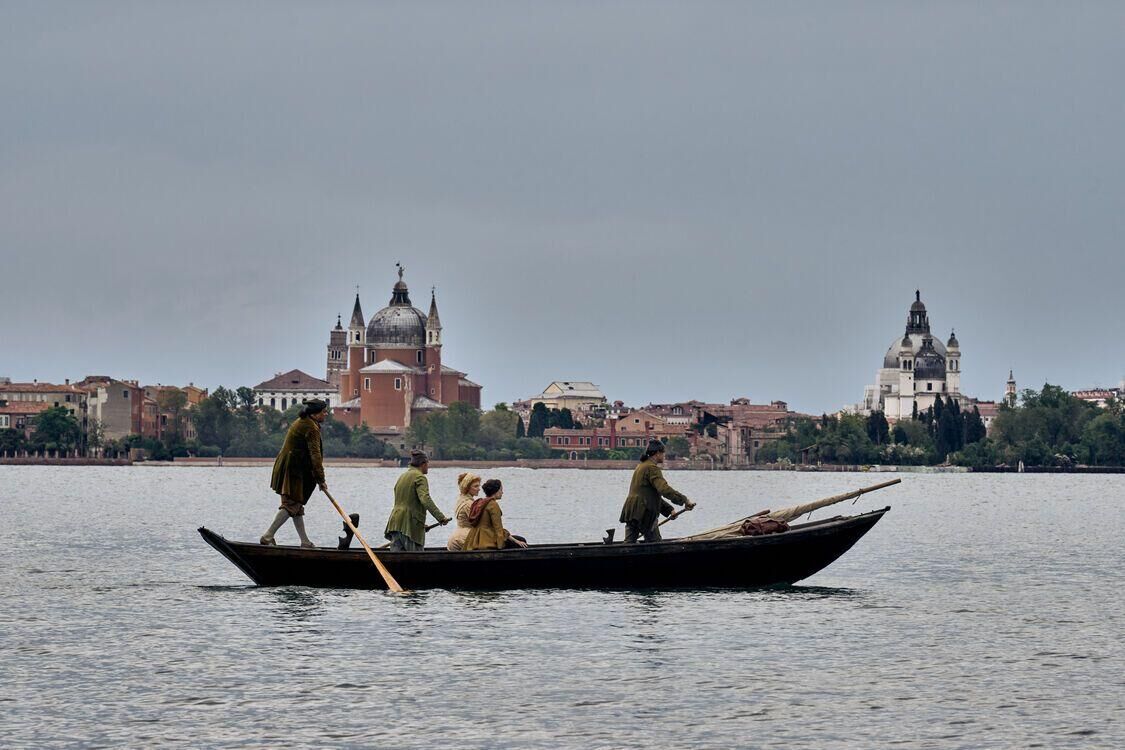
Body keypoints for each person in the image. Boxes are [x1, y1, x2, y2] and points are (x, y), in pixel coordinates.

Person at [260, 399, 329, 547]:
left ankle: (304, 542)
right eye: (324, 412)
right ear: (315, 414)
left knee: (296, 506)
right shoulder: (310, 427)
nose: (326, 414)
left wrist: (318, 478)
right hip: (292, 470)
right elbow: (315, 455)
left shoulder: (305, 421)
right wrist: (321, 479)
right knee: (291, 504)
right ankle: (267, 536)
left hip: (292, 467)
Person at [619, 439, 695, 543]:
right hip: (644, 512)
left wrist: (669, 510)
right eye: (663, 453)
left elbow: (649, 495)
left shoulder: (640, 466)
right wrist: (684, 500)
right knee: (655, 544)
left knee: (629, 544)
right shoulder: (652, 468)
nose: (664, 455)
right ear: (657, 453)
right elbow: (664, 489)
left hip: (632, 511)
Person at [383, 450, 450, 551]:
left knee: (397, 560)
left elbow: (407, 501)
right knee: (415, 558)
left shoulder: (403, 476)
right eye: (427, 464)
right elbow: (425, 499)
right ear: (423, 464)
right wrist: (440, 517)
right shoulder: (420, 477)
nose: (428, 467)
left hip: (395, 523)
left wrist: (421, 525)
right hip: (409, 526)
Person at [463, 479, 528, 551]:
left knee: (517, 540)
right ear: (495, 491)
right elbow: (498, 528)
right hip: (487, 540)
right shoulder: (493, 505)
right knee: (522, 540)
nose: (502, 492)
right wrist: (501, 545)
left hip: (474, 540)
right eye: (501, 490)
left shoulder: (481, 502)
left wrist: (515, 540)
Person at [446, 472, 481, 551]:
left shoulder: (461, 499)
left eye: (479, 486)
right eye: (476, 486)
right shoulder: (468, 504)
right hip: (463, 539)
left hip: (457, 537)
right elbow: (479, 523)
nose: (479, 488)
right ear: (467, 488)